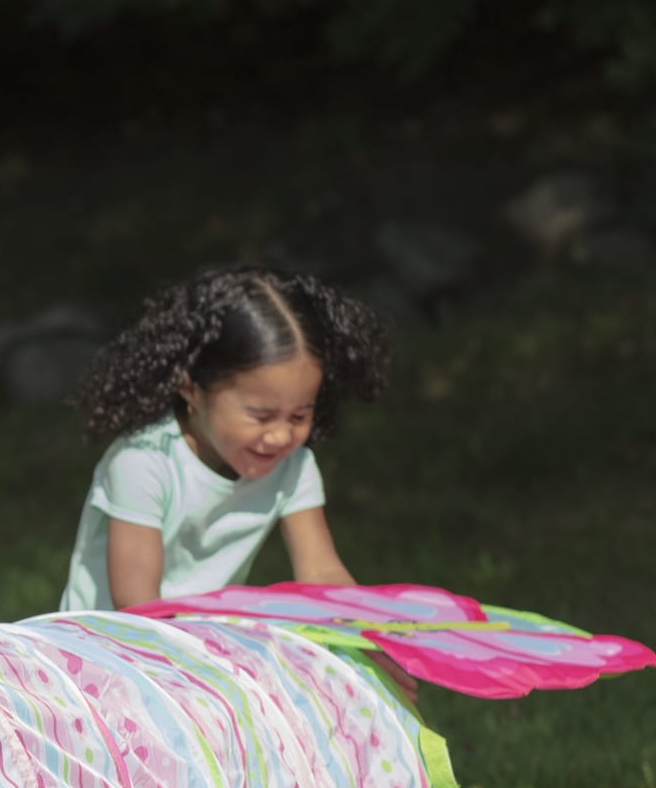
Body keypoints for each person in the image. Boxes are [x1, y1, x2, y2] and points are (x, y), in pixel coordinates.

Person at [60, 264, 418, 699]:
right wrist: (205, 675)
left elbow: (322, 571)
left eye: (300, 416)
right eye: (261, 415)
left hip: (199, 655)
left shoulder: (293, 466)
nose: (282, 435)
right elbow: (137, 602)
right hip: (95, 659)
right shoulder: (143, 462)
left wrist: (366, 641)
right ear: (192, 389)